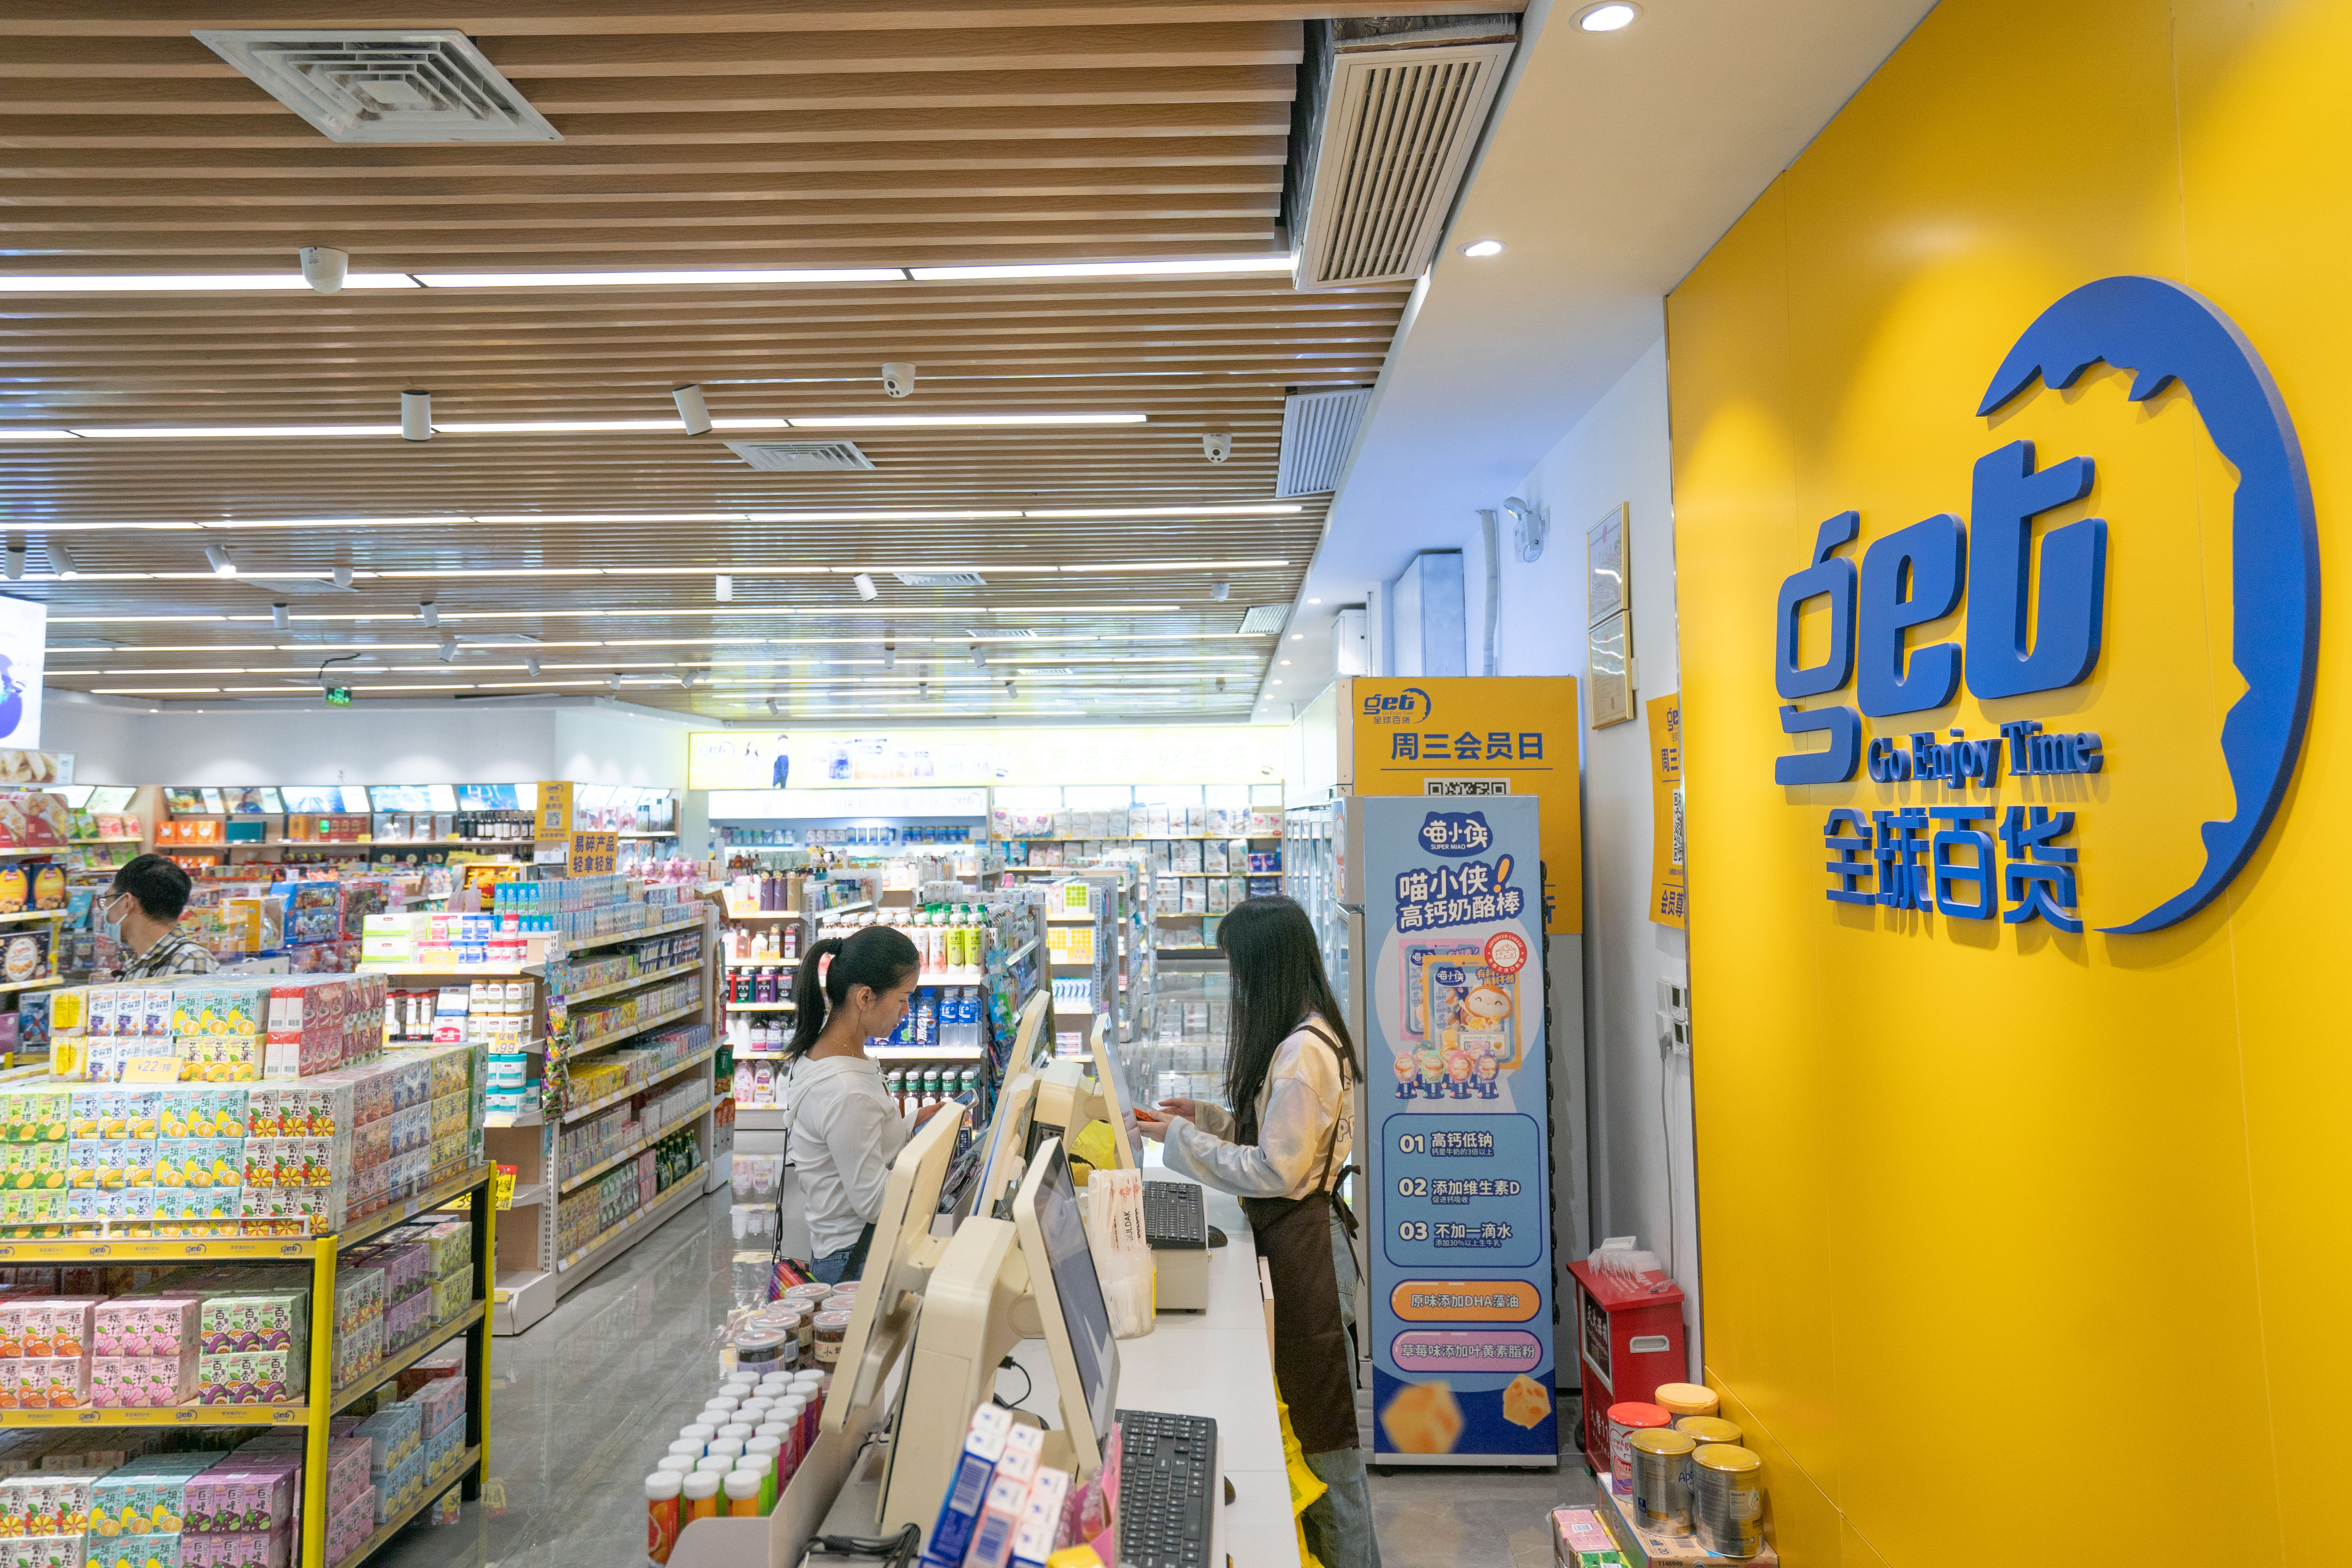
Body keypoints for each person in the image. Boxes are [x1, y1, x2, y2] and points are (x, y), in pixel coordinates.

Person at [1134, 896, 1379, 1568]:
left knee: (1327, 1449)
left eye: (1240, 969)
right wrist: (1207, 1119)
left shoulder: (1302, 1053)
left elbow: (1276, 1170)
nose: (1236, 985)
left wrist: (1180, 1140)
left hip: (1310, 1262)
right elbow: (1282, 1139)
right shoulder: (1306, 1035)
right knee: (1318, 1442)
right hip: (1305, 1246)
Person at [778, 924, 943, 1283]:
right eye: (902, 998)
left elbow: (852, 1147)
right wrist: (934, 1162)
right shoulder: (847, 1090)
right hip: (856, 1261)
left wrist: (910, 1124)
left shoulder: (828, 1053)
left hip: (849, 1252)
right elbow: (876, 1203)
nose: (907, 1011)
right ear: (865, 997)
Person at [102, 854, 219, 980]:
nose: (105, 908)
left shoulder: (191, 962)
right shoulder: (137, 962)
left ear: (127, 903)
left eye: (107, 899)